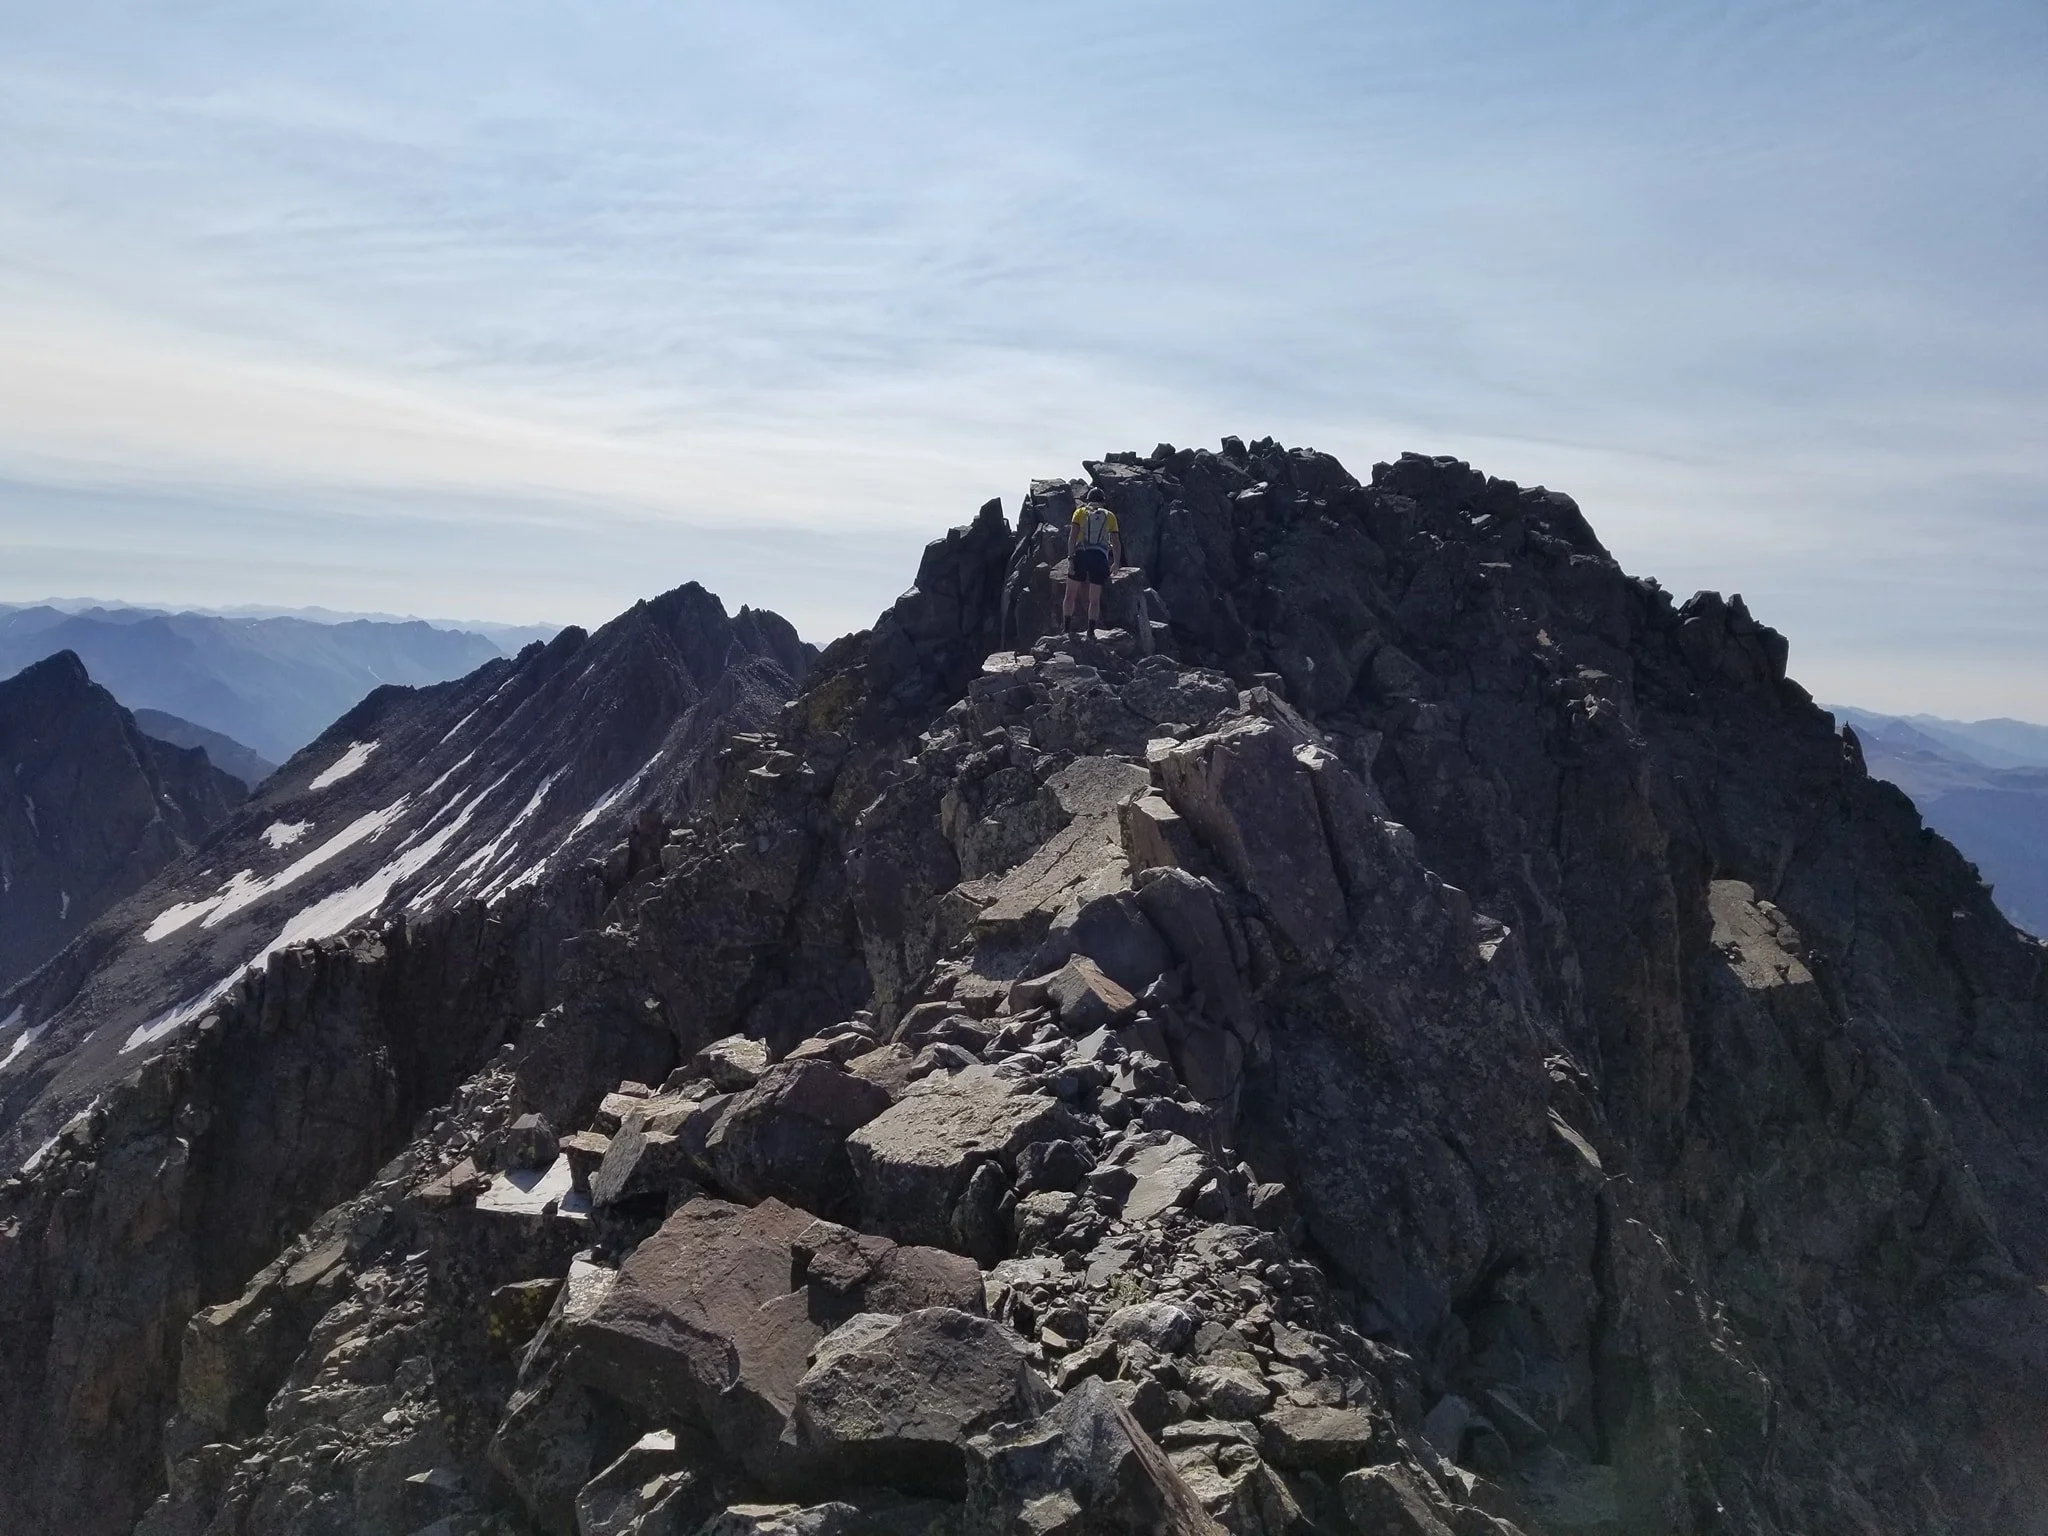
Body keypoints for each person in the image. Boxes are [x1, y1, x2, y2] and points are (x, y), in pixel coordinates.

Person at [1062, 492, 1122, 636]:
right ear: (1103, 501)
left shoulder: (1080, 512)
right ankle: (1090, 631)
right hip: (1099, 558)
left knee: (1070, 594)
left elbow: (1072, 538)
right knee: (1094, 599)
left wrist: (1071, 560)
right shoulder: (1110, 516)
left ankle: (1066, 629)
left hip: (1081, 555)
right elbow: (1116, 543)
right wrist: (1116, 563)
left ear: (1088, 500)